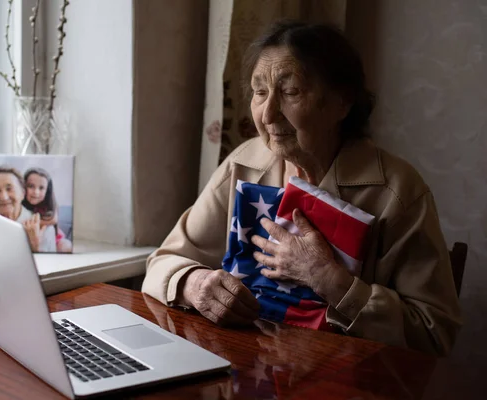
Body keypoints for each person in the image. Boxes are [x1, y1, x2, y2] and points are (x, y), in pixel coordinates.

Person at [142, 20, 462, 356]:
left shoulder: (397, 191)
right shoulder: (244, 163)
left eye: (290, 92)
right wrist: (194, 284)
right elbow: (164, 262)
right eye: (260, 92)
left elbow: (434, 333)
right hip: (245, 367)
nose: (267, 115)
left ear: (342, 101)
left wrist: (328, 279)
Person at [0, 166, 55, 252]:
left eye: (9, 189)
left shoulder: (43, 228)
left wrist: (34, 247)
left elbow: (49, 264)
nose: (3, 197)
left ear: (23, 193)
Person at [22, 168, 72, 253]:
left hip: (54, 238)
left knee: (66, 245)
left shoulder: (50, 205)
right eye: (31, 186)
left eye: (41, 188)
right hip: (30, 239)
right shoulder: (19, 203)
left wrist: (29, 224)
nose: (36, 192)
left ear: (47, 191)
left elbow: (53, 219)